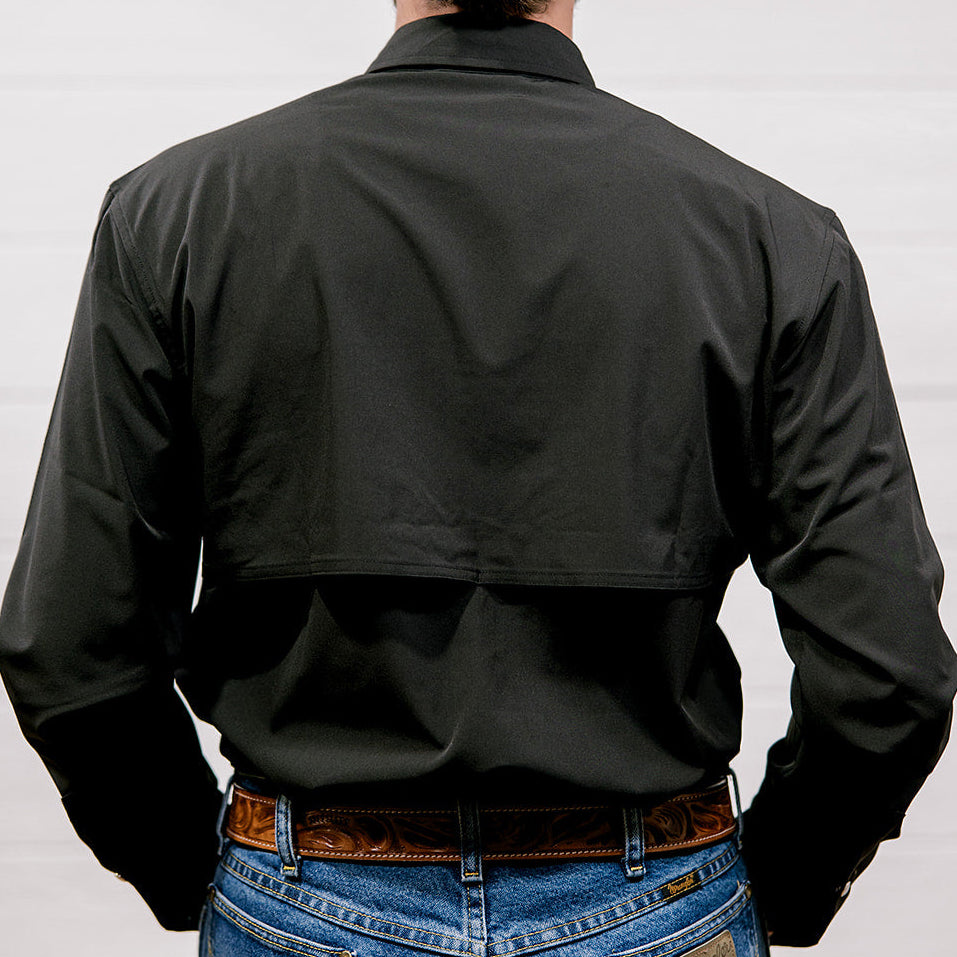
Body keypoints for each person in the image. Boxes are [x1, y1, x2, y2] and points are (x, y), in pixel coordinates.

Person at [1, 0, 954, 952]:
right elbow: (886, 675)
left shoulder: (178, 215)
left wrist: (200, 875)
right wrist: (773, 886)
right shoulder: (768, 238)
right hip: (657, 899)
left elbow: (74, 648)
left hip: (302, 893)